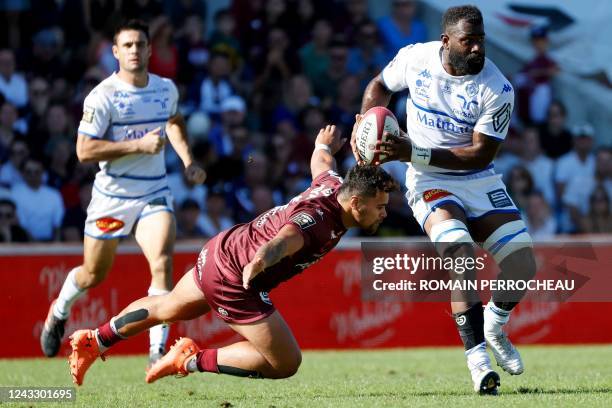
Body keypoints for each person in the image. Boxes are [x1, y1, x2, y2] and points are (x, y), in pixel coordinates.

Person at [67, 125, 397, 386]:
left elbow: (322, 165)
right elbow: (286, 240)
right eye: (379, 206)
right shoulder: (318, 221)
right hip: (237, 275)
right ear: (357, 204)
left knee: (166, 307)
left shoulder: (334, 186)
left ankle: (94, 340)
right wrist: (260, 261)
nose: (383, 213)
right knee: (285, 363)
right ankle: (189, 360)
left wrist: (322, 146)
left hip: (221, 248)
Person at [350, 5, 536, 395]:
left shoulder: (497, 88)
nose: (476, 49)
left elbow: (481, 154)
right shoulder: (416, 58)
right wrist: (365, 122)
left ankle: (494, 326)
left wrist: (409, 152)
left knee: (522, 264)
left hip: (477, 176)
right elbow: (379, 84)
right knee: (460, 254)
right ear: (447, 41)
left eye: (481, 40)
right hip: (431, 180)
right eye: (468, 41)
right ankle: (480, 365)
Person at [39, 20, 207, 366]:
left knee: (162, 261)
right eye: (126, 45)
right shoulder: (103, 96)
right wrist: (138, 145)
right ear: (116, 53)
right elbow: (84, 151)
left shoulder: (165, 89)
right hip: (112, 196)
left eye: (139, 45)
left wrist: (188, 160)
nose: (134, 51)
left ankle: (156, 352)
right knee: (93, 273)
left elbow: (173, 121)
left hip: (154, 192)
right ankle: (60, 309)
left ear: (149, 49)